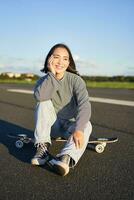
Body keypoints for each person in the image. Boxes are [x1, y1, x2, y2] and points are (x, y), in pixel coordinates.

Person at [31, 43, 92, 176]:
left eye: (65, 58)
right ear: (49, 59)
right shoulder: (42, 81)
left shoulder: (76, 80)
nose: (60, 62)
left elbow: (85, 104)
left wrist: (79, 129)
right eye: (57, 57)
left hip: (70, 127)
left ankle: (66, 158)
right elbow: (39, 97)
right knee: (43, 102)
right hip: (52, 126)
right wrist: (52, 76)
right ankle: (43, 150)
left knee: (86, 125)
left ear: (69, 62)